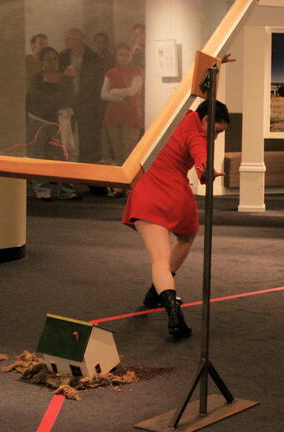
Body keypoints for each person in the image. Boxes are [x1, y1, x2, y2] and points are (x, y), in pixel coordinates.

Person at [122, 52, 232, 337]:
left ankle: (168, 304)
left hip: (148, 193)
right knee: (185, 237)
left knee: (159, 258)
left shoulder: (181, 115)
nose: (216, 137)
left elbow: (190, 90)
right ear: (207, 119)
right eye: (217, 131)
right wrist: (208, 172)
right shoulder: (199, 135)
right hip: (174, 197)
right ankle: (160, 294)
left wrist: (215, 67)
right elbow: (201, 159)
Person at [26, 46, 80, 201]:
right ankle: (43, 191)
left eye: (55, 59)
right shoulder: (36, 79)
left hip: (60, 122)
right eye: (48, 59)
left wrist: (58, 100)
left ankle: (67, 191)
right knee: (38, 156)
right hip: (40, 122)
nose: (52, 62)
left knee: (63, 156)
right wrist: (57, 100)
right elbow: (38, 99)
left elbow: (70, 97)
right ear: (42, 62)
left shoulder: (66, 78)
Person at [101, 43, 144, 197]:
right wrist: (120, 98)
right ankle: (120, 186)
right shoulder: (111, 72)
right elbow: (103, 94)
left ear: (131, 56)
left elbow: (133, 91)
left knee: (131, 152)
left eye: (126, 55)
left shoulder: (138, 71)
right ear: (116, 56)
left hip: (131, 116)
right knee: (117, 152)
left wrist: (114, 92)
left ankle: (133, 186)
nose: (123, 58)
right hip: (113, 115)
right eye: (120, 55)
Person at [60, 28, 105, 164]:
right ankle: (65, 162)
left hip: (88, 101)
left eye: (73, 38)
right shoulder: (62, 56)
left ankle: (89, 163)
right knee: (67, 131)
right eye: (68, 39)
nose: (70, 42)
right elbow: (56, 78)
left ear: (81, 39)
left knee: (88, 133)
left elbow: (98, 80)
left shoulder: (93, 57)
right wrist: (65, 76)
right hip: (68, 100)